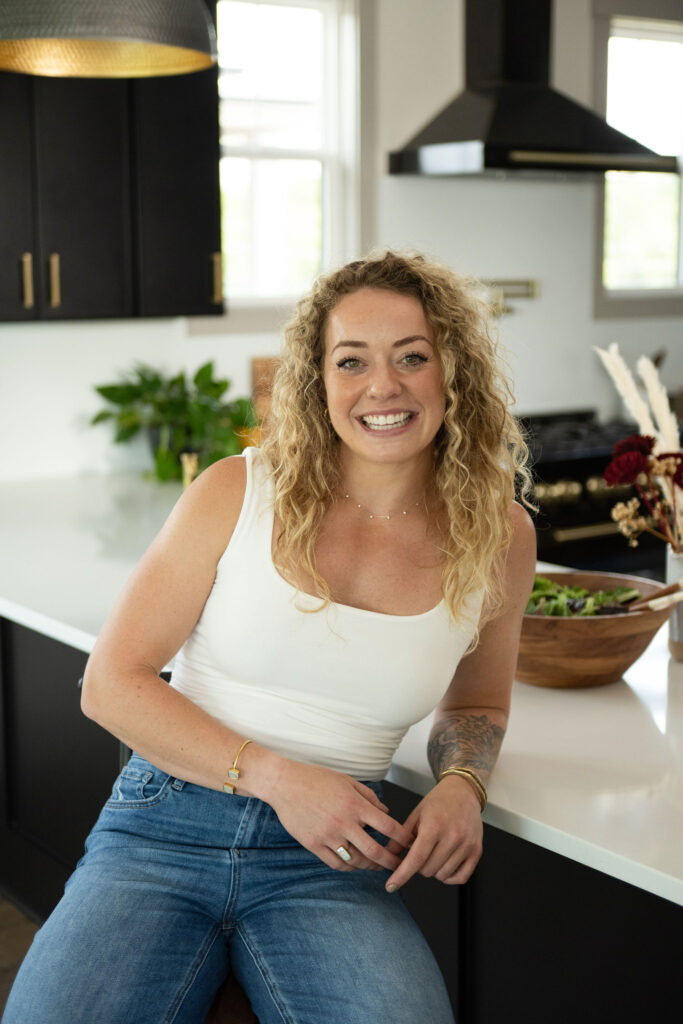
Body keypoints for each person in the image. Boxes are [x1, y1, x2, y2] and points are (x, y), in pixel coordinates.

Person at [3, 250, 536, 1024]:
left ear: (451, 373)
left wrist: (464, 784)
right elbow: (111, 681)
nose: (382, 387)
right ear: (319, 382)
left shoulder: (499, 534)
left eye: (411, 358)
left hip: (333, 859)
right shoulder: (236, 490)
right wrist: (281, 780)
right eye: (350, 361)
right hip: (162, 828)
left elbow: (480, 704)